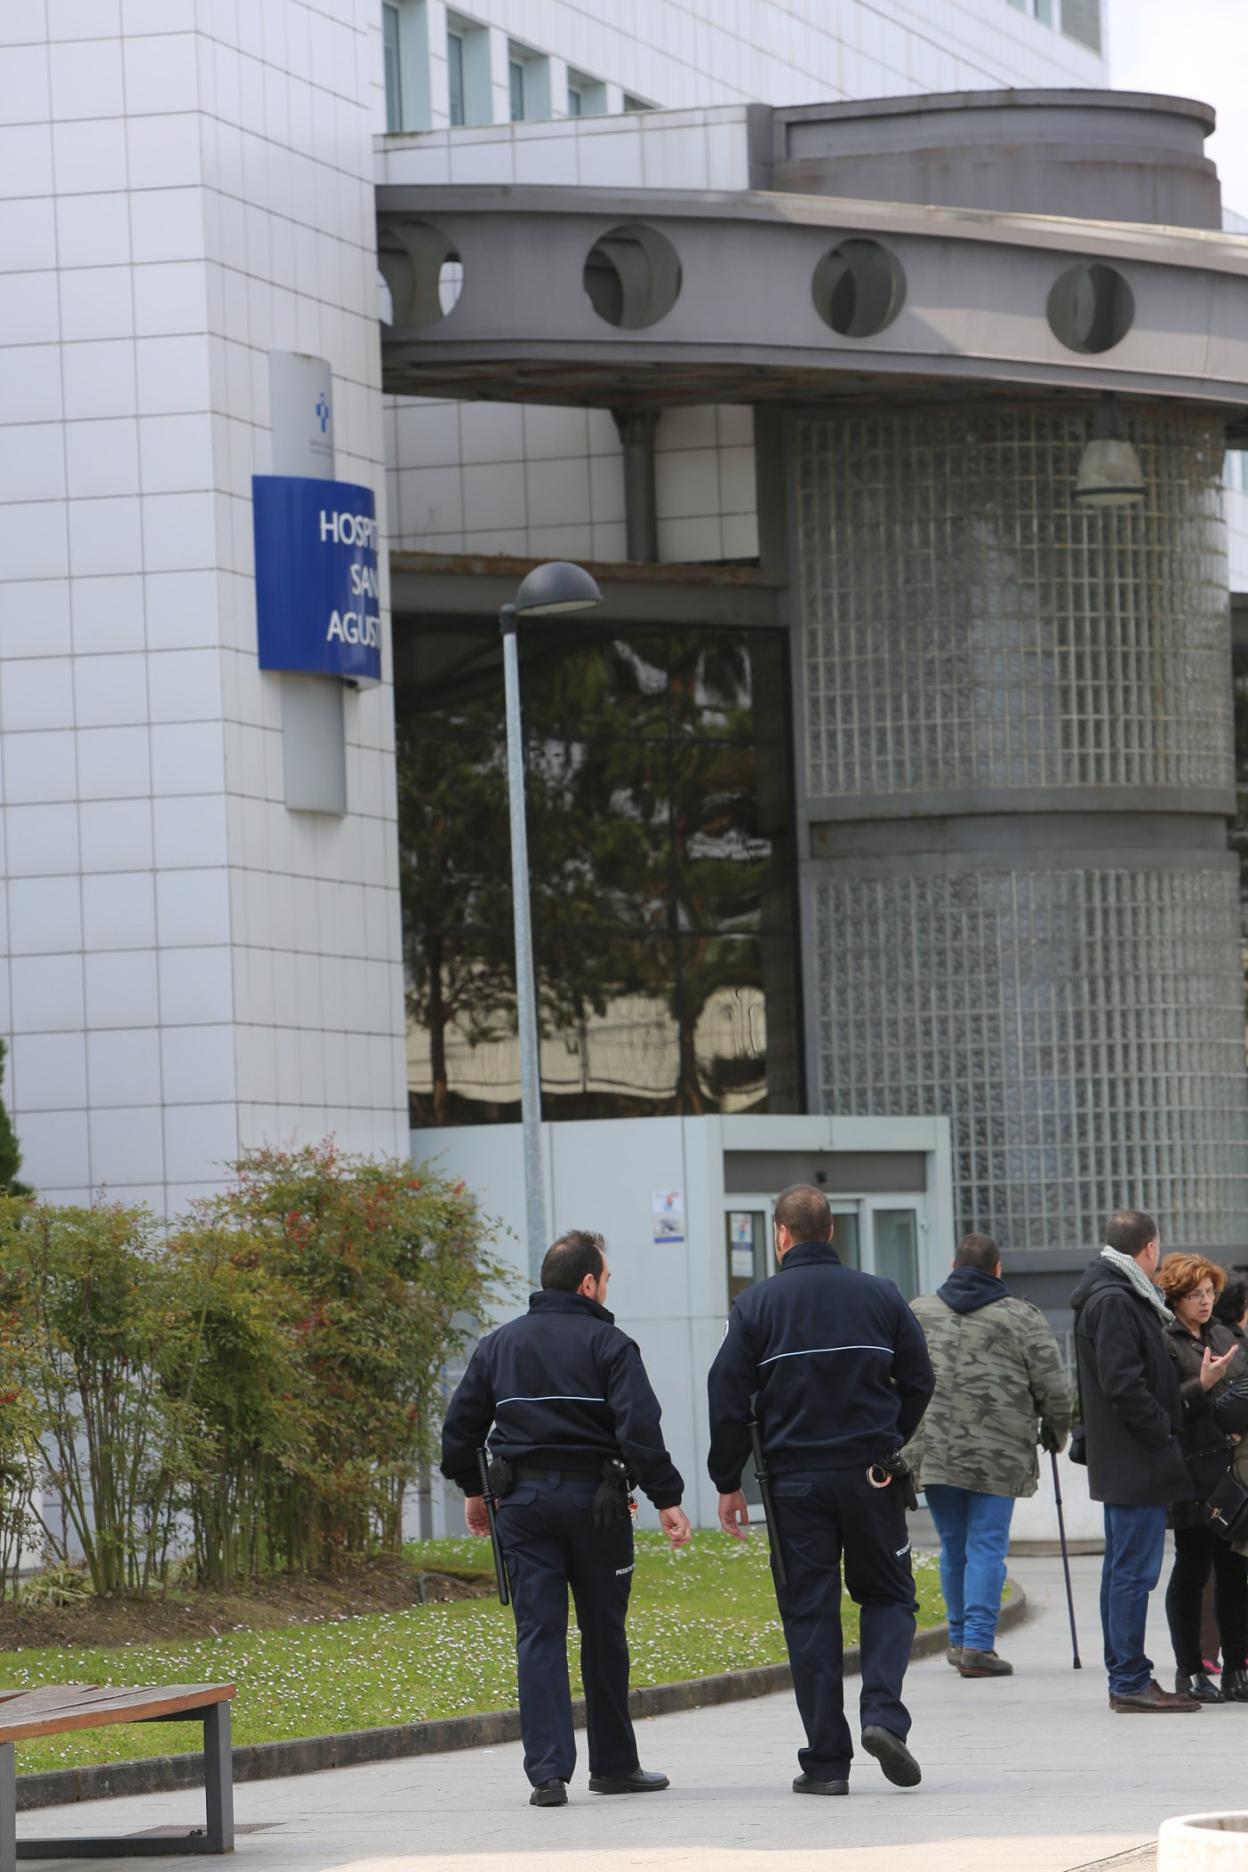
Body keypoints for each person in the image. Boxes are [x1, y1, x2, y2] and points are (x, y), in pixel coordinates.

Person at [440, 1229, 692, 1807]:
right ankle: (613, 1766)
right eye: (606, 1280)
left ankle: (548, 1775)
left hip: (523, 1508)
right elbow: (639, 1429)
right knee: (604, 1634)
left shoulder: (498, 1345)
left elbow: (460, 1434)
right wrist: (667, 1498)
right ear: (587, 1283)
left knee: (539, 1635)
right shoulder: (611, 1346)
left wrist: (475, 1490)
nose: (607, 1291)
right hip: (598, 1507)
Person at [707, 1183, 935, 1796]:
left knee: (810, 1613)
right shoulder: (880, 1295)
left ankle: (828, 1765)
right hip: (870, 1474)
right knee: (889, 1596)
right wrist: (890, 1441)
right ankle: (883, 1714)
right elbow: (920, 1378)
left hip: (792, 1484)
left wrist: (726, 1479)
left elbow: (726, 1397)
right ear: (831, 1232)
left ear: (780, 1234)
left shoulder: (755, 1306)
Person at [1071, 1209, 1223, 1714]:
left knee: (1123, 1571)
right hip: (1135, 1460)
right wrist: (1162, 1428)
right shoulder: (1116, 1299)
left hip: (1129, 1459)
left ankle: (1126, 1675)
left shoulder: (1116, 1292)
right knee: (1133, 1572)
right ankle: (1131, 1679)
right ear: (1150, 1248)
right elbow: (1122, 1383)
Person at [908, 1232, 1072, 1679]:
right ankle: (978, 1646)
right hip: (999, 1454)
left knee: (954, 1545)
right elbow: (1054, 1389)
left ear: (952, 1264)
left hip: (935, 1449)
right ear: (997, 1269)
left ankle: (960, 1638)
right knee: (986, 1545)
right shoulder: (1022, 1318)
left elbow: (892, 1379)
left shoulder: (918, 1313)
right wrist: (1057, 1430)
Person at [1155, 1253, 1247, 1703]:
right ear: (1176, 1298)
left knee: (1234, 1569)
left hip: (1231, 1470)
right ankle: (1189, 1669)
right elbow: (1163, 1404)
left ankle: (1236, 1669)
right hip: (1189, 1468)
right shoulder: (1164, 1340)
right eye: (1196, 1294)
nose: (1206, 1301)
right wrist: (1203, 1385)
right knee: (1191, 1568)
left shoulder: (1225, 1334)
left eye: (1210, 1292)